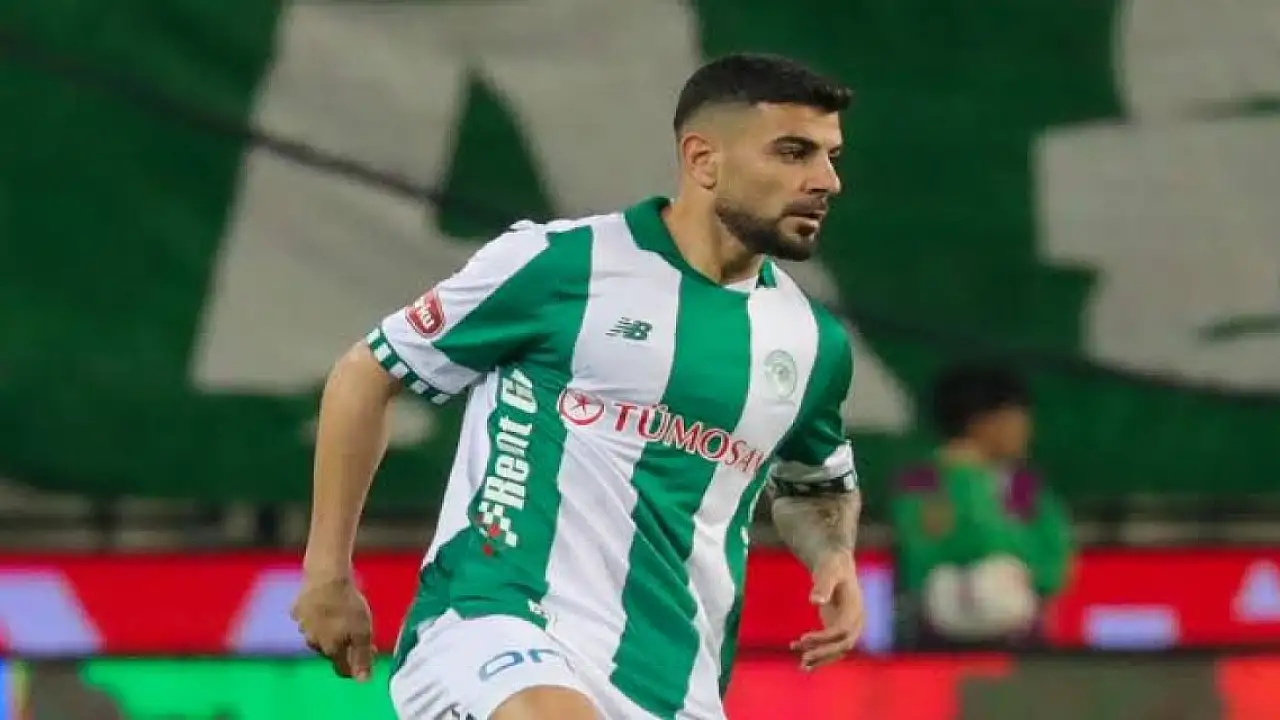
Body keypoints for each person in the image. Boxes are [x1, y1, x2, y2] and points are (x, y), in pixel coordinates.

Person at [290, 53, 865, 720]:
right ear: (703, 160)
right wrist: (327, 572)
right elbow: (368, 373)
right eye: (794, 152)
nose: (826, 181)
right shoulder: (561, 265)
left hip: (675, 682)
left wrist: (833, 555)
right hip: (493, 624)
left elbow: (816, 487)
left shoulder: (813, 343)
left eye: (831, 157)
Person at [890, 364, 1073, 649]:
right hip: (936, 639)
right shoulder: (923, 481)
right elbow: (921, 559)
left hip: (1019, 639)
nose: (1025, 431)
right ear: (982, 423)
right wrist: (967, 478)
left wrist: (1011, 570)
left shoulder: (1022, 486)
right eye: (1015, 420)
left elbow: (1052, 566)